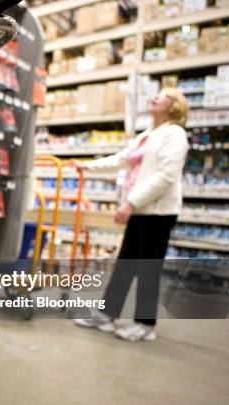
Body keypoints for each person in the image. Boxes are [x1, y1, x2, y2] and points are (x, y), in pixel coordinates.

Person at [74, 88, 189, 341]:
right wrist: (86, 166)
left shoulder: (175, 134)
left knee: (148, 268)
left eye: (164, 95)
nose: (156, 96)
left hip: (158, 212)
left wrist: (131, 203)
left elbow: (167, 176)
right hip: (140, 209)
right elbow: (121, 159)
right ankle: (107, 315)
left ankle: (145, 325)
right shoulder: (147, 135)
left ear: (173, 106)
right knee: (125, 264)